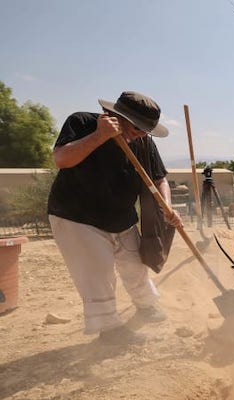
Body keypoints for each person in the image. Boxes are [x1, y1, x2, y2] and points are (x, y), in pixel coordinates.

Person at [47, 91, 182, 344]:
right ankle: (110, 330)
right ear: (116, 116)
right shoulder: (83, 123)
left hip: (121, 217)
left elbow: (159, 178)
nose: (141, 134)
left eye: (146, 130)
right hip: (77, 218)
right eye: (137, 127)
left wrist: (167, 206)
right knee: (97, 272)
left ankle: (146, 305)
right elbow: (62, 159)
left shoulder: (143, 143)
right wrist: (100, 136)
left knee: (135, 265)